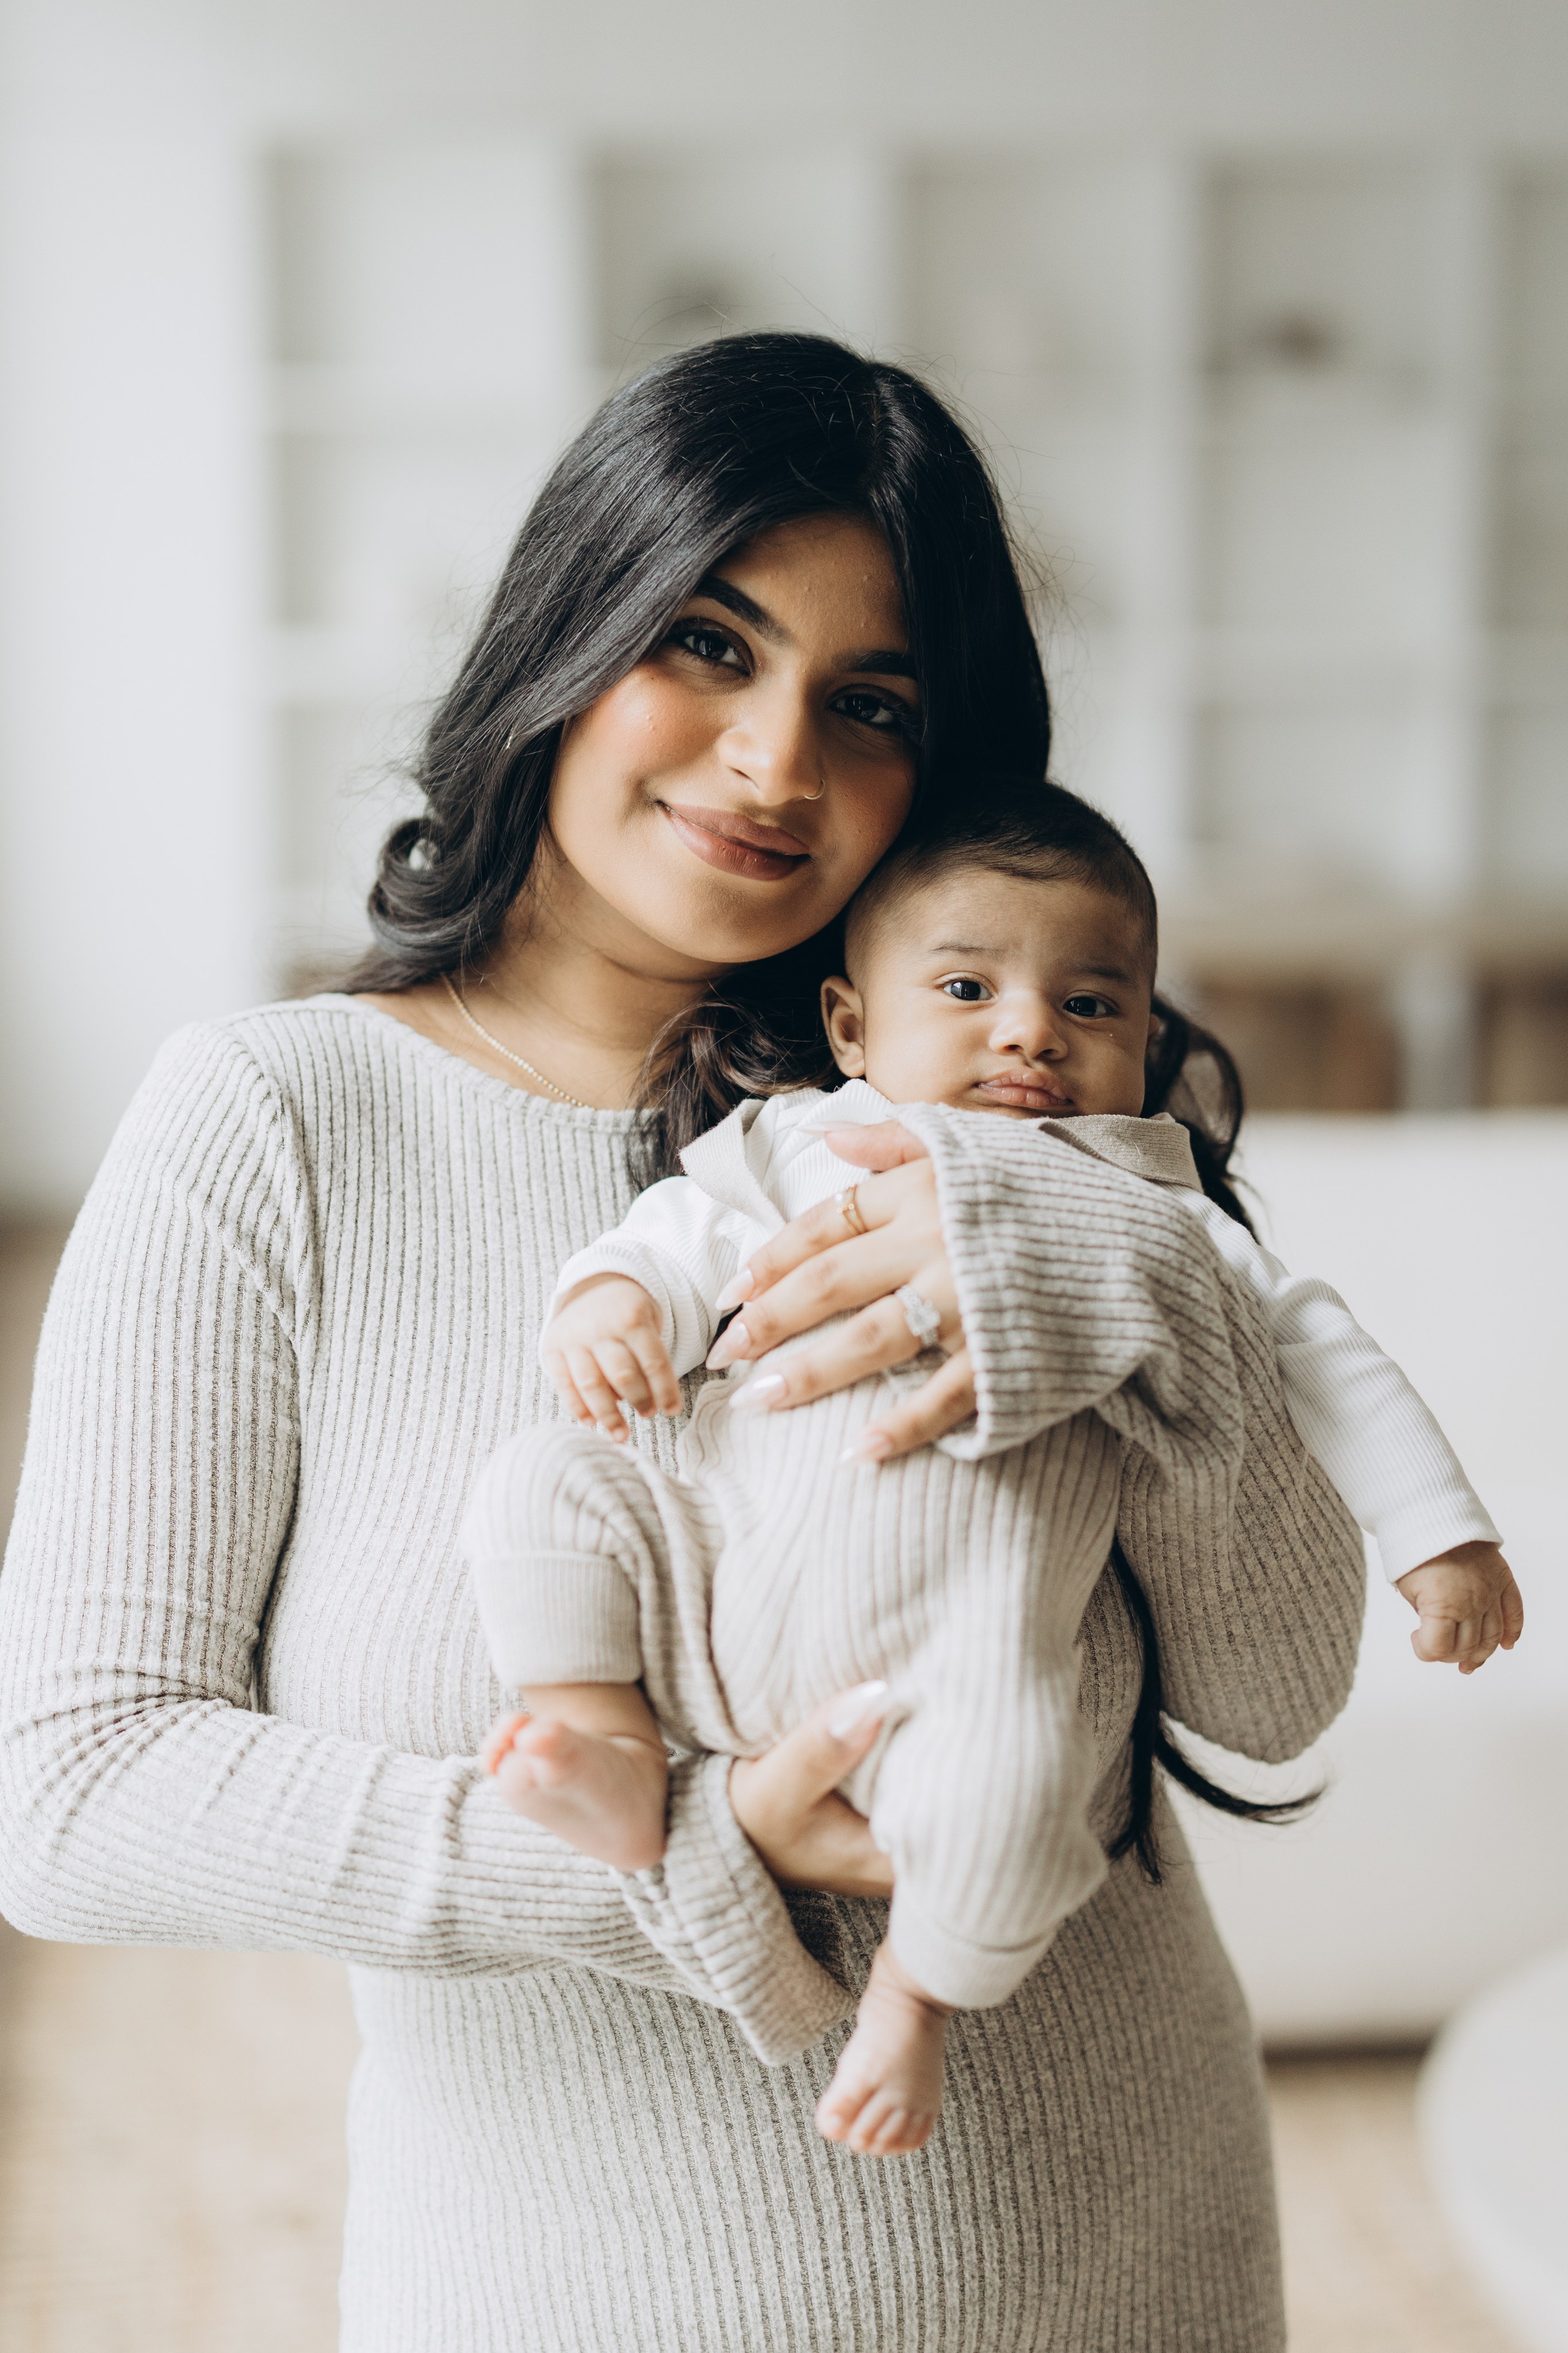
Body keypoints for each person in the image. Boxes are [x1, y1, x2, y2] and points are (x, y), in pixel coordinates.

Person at [1, 334, 1370, 2352]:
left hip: (1128, 2256)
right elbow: (77, 1795)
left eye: (871, 702)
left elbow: (1276, 1693)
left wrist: (1143, 1286)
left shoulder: (1022, 1122)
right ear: (571, 625)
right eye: (712, 645)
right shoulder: (272, 1127)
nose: (774, 761)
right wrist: (673, 1854)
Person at [466, 774, 1518, 2159]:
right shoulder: (802, 1142)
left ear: (1146, 1037)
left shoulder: (1151, 1207)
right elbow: (673, 1240)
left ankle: (915, 1995)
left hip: (963, 1649)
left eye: (1090, 1005)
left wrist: (1438, 1533)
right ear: (851, 1022)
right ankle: (595, 1729)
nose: (1029, 1028)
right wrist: (607, 1308)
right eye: (965, 988)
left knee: (1019, 1801)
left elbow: (1321, 1355)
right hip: (722, 1560)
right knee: (547, 1485)